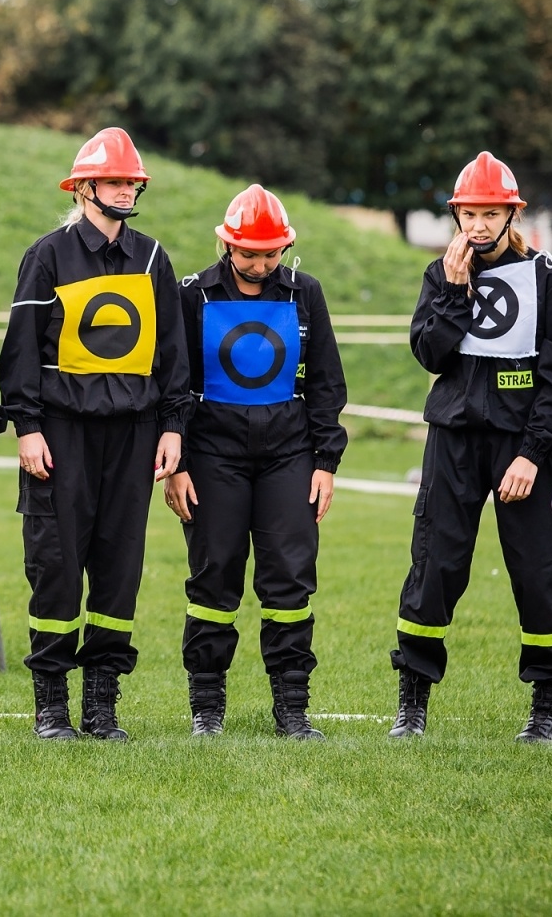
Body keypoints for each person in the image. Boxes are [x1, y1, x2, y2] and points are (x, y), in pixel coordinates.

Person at [0, 126, 191, 741]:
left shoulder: (155, 259)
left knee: (118, 567)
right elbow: (20, 352)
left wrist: (171, 427)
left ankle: (101, 708)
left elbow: (172, 357)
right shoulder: (47, 256)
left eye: (132, 181)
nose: (126, 190)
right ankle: (51, 708)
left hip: (133, 436)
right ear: (83, 189)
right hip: (60, 433)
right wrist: (26, 427)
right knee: (55, 565)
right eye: (114, 181)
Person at [390, 151, 552, 742]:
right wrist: (453, 292)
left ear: (512, 214)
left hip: (523, 449)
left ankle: (548, 709)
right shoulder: (440, 275)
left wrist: (533, 452)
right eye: (467, 214)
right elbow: (430, 355)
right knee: (435, 567)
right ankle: (412, 707)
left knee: (538, 571)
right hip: (452, 441)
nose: (476, 225)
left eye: (488, 213)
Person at [165, 185, 346, 739]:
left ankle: (292, 708)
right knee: (214, 577)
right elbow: (174, 383)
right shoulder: (191, 294)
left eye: (271, 254)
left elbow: (325, 383)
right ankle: (207, 710)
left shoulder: (305, 293)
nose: (260, 264)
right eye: (248, 254)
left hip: (289, 457)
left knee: (290, 579)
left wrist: (325, 461)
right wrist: (177, 465)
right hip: (212, 458)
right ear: (226, 245)